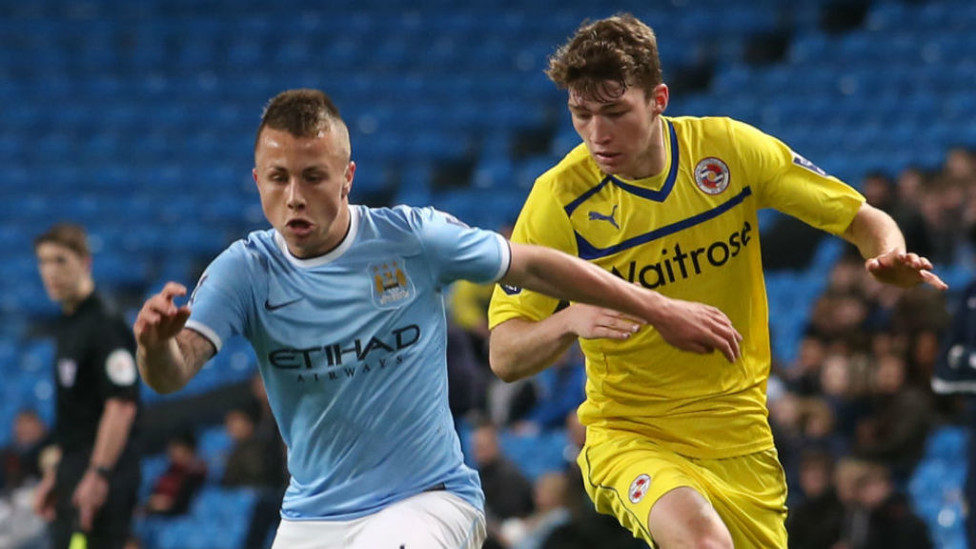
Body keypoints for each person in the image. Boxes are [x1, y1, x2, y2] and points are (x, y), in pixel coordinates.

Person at [132, 88, 743, 549]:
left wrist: (660, 307)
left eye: (313, 176)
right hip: (313, 516)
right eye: (278, 178)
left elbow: (535, 264)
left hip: (428, 501)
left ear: (347, 178)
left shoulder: (411, 240)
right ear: (257, 181)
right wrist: (155, 346)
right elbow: (173, 372)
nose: (294, 196)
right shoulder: (245, 270)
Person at [487, 14, 948, 549]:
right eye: (581, 115)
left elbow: (862, 218)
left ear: (658, 100)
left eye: (615, 112)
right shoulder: (560, 200)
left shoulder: (726, 151)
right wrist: (569, 319)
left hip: (741, 433)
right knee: (704, 542)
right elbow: (504, 354)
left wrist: (888, 254)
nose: (597, 134)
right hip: (633, 433)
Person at [31, 223, 142, 549]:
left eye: (60, 260)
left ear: (85, 262)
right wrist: (58, 473)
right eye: (43, 261)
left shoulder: (105, 323)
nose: (50, 271)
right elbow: (77, 413)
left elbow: (121, 405)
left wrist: (99, 474)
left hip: (102, 475)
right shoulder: (69, 323)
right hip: (75, 470)